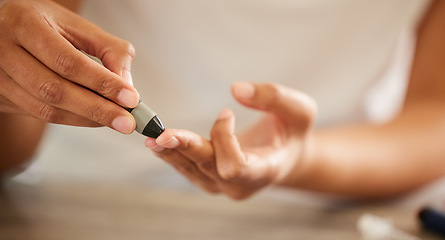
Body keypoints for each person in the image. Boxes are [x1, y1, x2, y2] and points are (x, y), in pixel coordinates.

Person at [1, 0, 445, 201]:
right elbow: (12, 148)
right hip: (81, 198)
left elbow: (435, 115)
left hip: (329, 206)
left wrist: (303, 157)